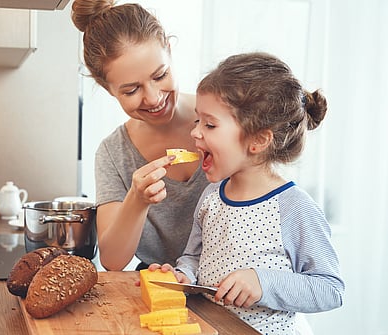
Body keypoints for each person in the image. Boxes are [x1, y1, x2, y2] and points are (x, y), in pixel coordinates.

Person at [150, 52, 345, 334]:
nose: (195, 133)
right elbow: (194, 258)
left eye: (210, 124)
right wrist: (183, 276)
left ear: (258, 140)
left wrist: (264, 283)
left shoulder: (294, 207)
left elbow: (330, 288)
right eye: (197, 121)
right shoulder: (212, 197)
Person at [71, 0, 210, 271]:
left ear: (169, 51)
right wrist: (137, 199)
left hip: (237, 290)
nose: (154, 98)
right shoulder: (114, 153)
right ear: (108, 88)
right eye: (131, 90)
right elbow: (112, 260)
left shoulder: (225, 120)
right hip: (160, 288)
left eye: (160, 75)